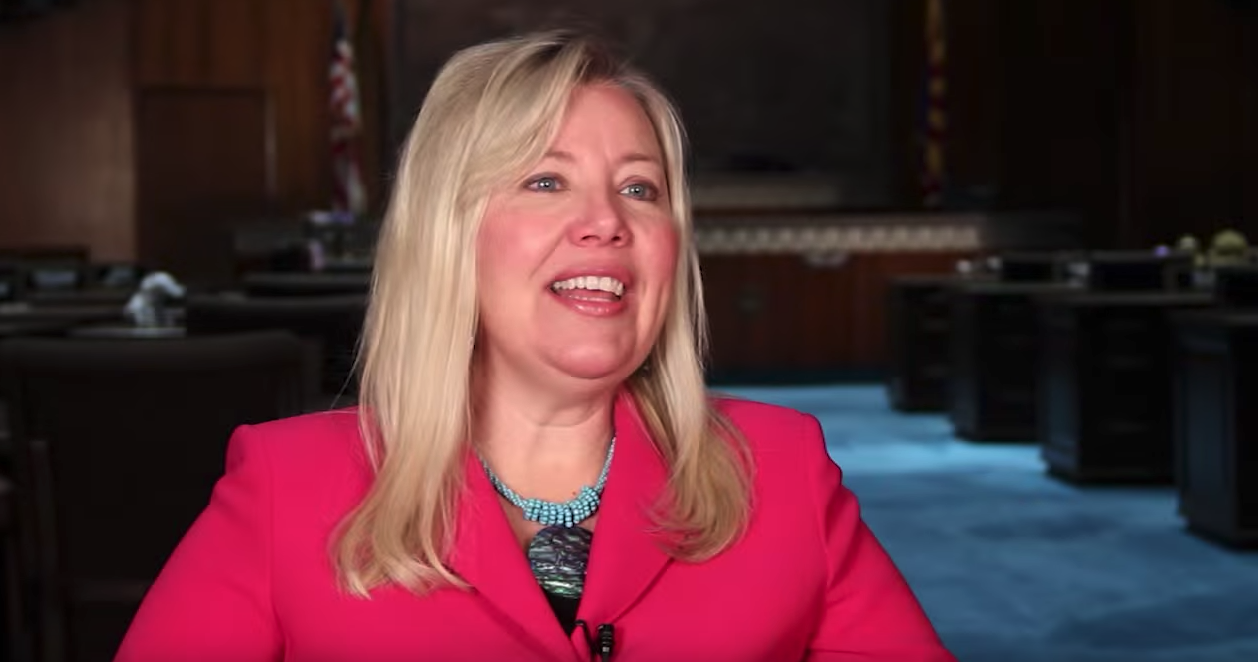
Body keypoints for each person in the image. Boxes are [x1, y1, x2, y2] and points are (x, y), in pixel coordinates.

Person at [116, 30, 955, 662]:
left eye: (640, 188)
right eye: (545, 181)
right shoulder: (283, 486)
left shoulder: (783, 467)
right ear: (449, 236)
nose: (607, 222)